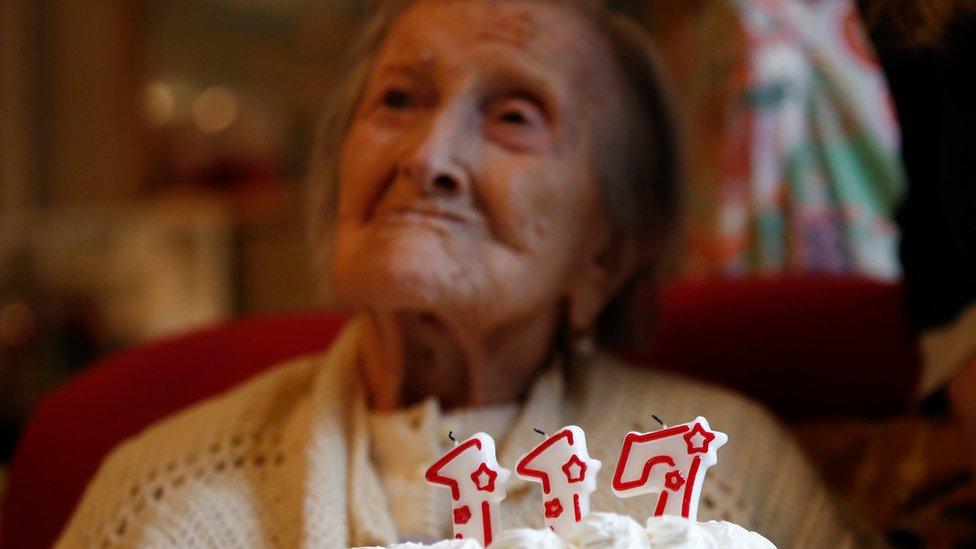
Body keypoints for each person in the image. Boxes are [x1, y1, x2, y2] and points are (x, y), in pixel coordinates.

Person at [57, 1, 874, 547]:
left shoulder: (723, 479)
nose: (426, 156)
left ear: (608, 250)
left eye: (515, 116)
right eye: (399, 101)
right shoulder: (162, 497)